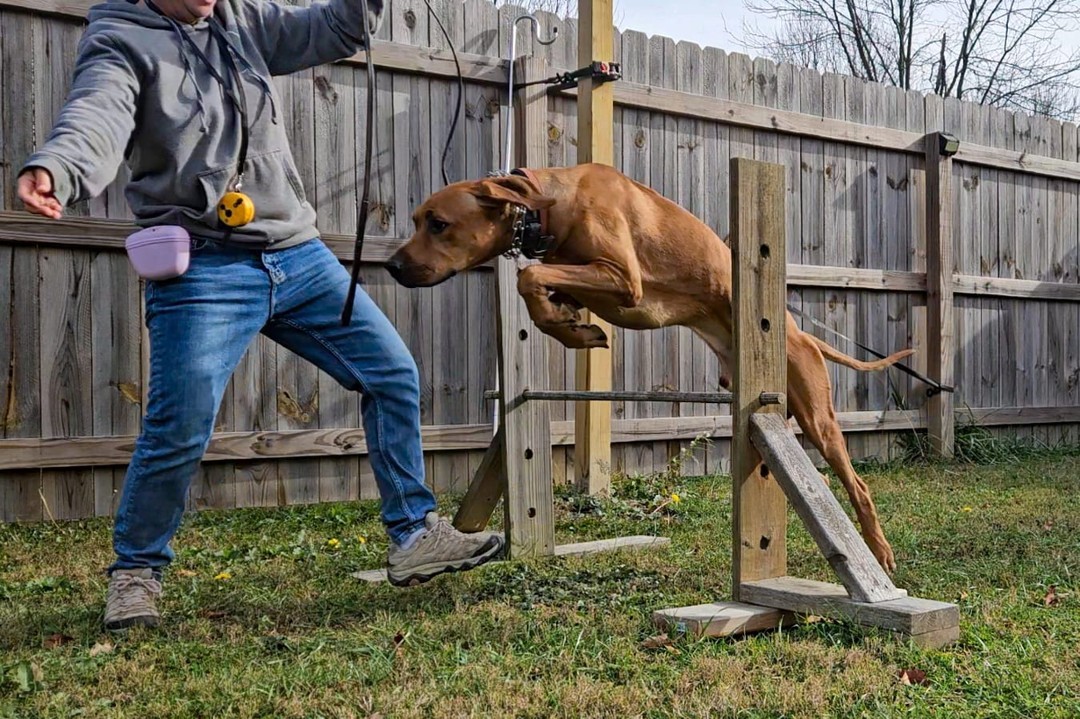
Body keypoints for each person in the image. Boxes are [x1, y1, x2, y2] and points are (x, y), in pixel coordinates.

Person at [16, 0, 504, 631]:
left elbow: (340, 28)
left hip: (297, 255)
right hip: (204, 269)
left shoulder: (242, 20)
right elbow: (96, 115)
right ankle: (136, 574)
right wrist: (60, 167)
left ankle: (413, 535)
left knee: (391, 375)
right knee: (179, 424)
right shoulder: (121, 40)